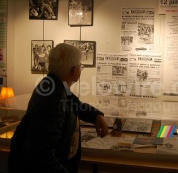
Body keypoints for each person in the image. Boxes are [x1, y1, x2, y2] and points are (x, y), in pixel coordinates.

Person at [8, 43, 108, 173]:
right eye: (80, 66)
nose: (80, 70)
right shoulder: (52, 97)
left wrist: (96, 115)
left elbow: (74, 104)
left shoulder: (53, 84)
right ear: (74, 70)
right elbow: (44, 156)